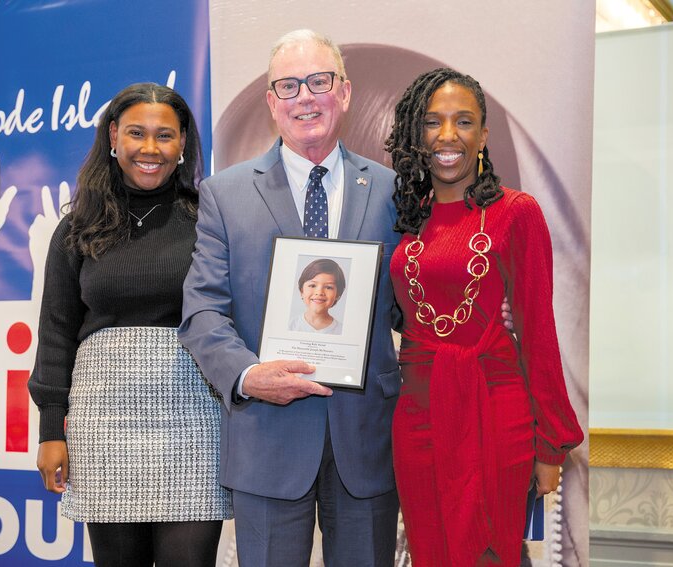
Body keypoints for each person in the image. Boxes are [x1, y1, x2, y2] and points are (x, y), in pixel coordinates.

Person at [179, 29, 402, 566]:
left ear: (344, 92)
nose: (305, 96)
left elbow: (408, 304)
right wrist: (247, 376)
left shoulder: (394, 190)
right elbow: (202, 310)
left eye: (318, 81)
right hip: (267, 439)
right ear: (271, 103)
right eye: (288, 85)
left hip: (366, 436)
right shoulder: (224, 194)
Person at [384, 67, 584, 566]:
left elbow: (539, 331)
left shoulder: (516, 212)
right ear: (417, 134)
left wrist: (550, 446)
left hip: (494, 413)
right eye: (433, 122)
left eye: (463, 121)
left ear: (483, 135)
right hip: (416, 417)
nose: (448, 135)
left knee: (490, 555)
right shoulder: (405, 219)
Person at [27, 83, 231, 567]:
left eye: (165, 135)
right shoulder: (76, 228)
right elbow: (56, 331)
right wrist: (51, 428)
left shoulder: (209, 220)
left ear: (183, 144)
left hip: (193, 421)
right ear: (114, 136)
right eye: (137, 133)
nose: (149, 148)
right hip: (102, 423)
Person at [289, 258, 346, 334]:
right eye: (312, 285)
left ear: (337, 295)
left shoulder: (343, 331)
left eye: (328, 287)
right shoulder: (290, 326)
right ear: (302, 291)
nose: (319, 292)